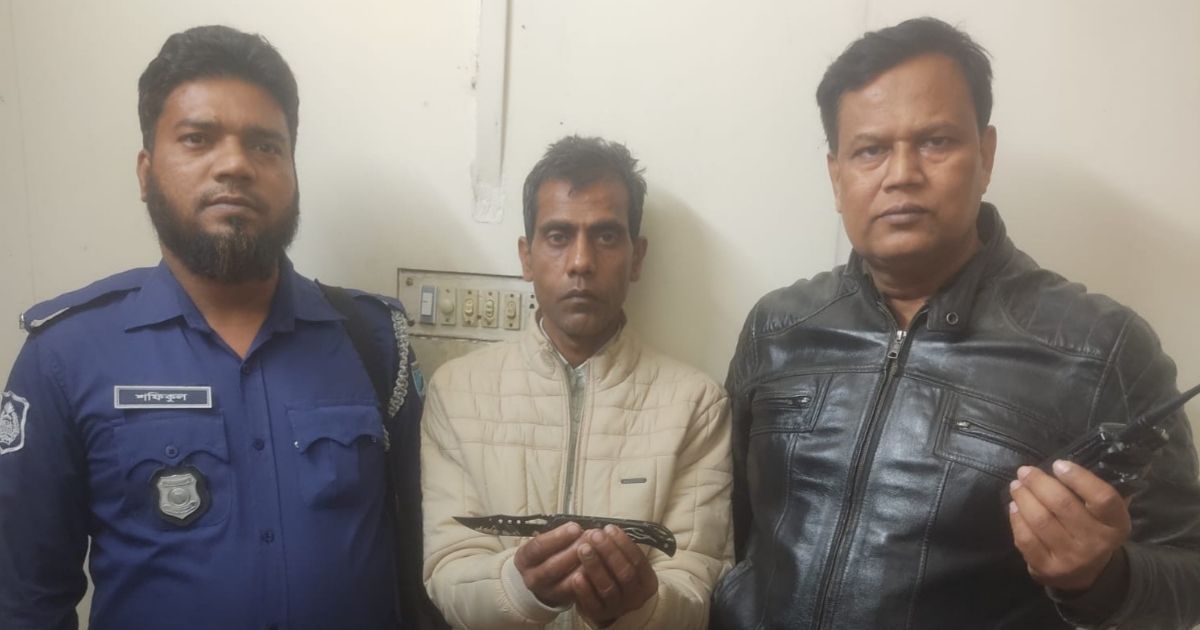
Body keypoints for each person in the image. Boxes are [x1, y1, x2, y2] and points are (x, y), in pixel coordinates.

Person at [711, 17, 1200, 630]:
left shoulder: (1099, 350)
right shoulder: (777, 327)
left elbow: (1189, 572)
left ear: (985, 155)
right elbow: (732, 534)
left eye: (935, 141)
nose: (901, 174)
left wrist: (1102, 579)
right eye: (870, 150)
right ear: (837, 176)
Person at [0, 25, 429, 630]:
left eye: (265, 146)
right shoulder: (65, 356)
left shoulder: (376, 341)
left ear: (293, 172)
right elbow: (25, 599)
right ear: (146, 172)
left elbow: (427, 554)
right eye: (198, 139)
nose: (234, 165)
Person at [420, 136, 732, 629]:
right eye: (558, 236)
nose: (581, 261)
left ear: (637, 257)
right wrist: (518, 589)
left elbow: (697, 583)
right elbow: (448, 569)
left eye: (606, 236)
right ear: (526, 257)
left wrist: (641, 608)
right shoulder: (456, 392)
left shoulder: (697, 404)